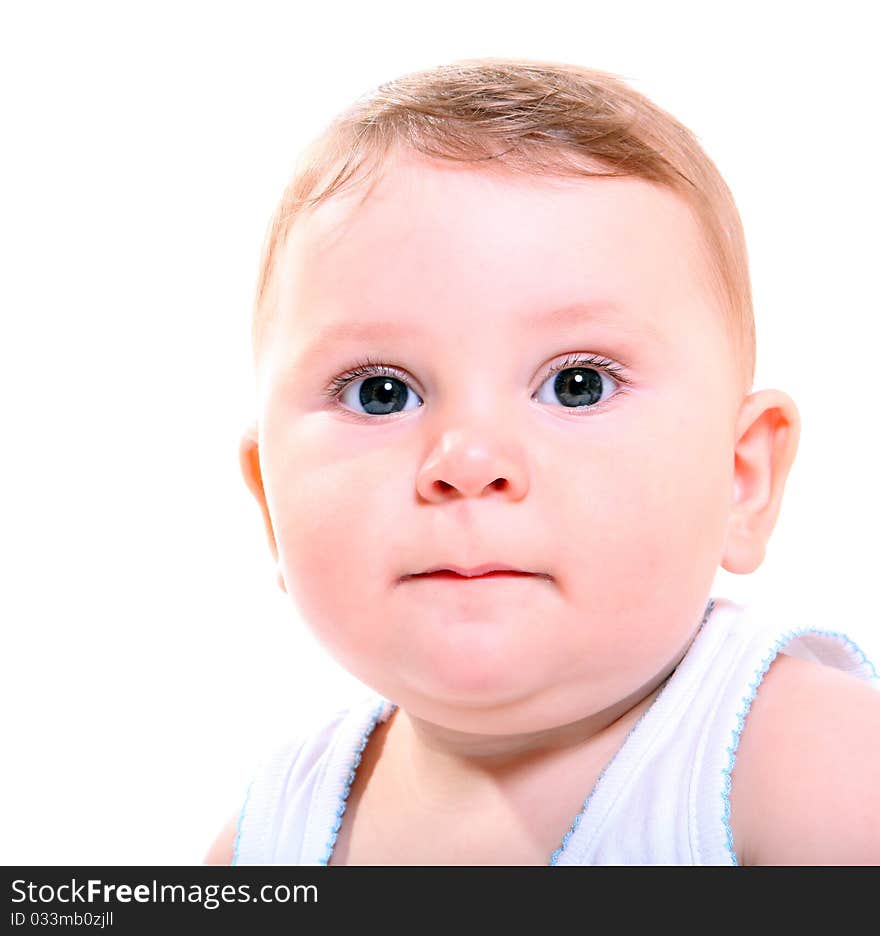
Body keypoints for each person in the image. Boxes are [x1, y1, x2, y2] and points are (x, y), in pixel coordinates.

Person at [204, 57, 880, 866]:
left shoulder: (811, 766)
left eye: (577, 384)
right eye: (381, 391)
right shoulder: (274, 829)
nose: (468, 461)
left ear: (741, 478)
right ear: (270, 505)